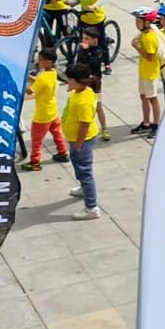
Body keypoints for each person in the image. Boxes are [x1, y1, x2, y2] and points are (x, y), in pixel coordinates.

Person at [62, 63, 103, 220]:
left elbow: (85, 125)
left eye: (69, 80)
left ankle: (91, 207)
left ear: (78, 81)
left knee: (85, 172)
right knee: (79, 167)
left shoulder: (83, 101)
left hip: (82, 141)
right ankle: (83, 188)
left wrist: (79, 145)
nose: (67, 82)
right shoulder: (80, 92)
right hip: (76, 140)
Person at [21, 47, 67, 171]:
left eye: (41, 60)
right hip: (52, 111)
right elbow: (39, 82)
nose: (38, 62)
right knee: (57, 133)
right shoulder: (52, 73)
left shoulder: (43, 78)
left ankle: (35, 162)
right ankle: (62, 152)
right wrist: (28, 77)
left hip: (42, 116)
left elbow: (30, 91)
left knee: (36, 140)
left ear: (49, 62)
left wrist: (20, 82)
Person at [130, 8, 164, 138]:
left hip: (150, 73)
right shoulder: (144, 34)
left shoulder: (150, 37)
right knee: (143, 96)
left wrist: (137, 47)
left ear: (147, 22)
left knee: (152, 98)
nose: (136, 24)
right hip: (144, 71)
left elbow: (150, 56)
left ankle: (156, 124)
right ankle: (146, 123)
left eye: (139, 21)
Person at [74, 0, 110, 74]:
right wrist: (70, 3)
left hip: (96, 19)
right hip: (84, 18)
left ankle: (107, 64)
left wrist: (94, 6)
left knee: (101, 42)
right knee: (83, 41)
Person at [74, 28, 110, 142]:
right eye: (83, 38)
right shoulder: (82, 50)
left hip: (95, 84)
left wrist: (85, 51)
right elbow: (79, 63)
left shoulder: (98, 51)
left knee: (98, 106)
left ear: (94, 40)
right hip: (83, 83)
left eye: (87, 39)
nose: (84, 41)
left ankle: (104, 128)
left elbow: (93, 63)